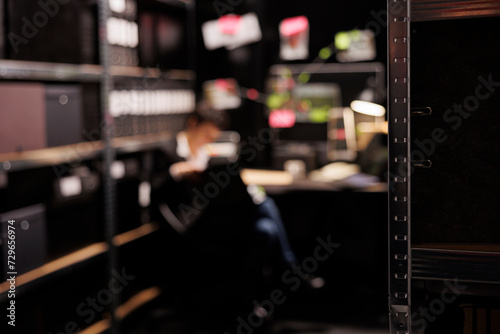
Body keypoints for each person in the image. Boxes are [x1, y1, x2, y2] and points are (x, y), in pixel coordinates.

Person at [150, 101, 322, 326]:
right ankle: (290, 273)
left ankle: (246, 302)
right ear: (193, 124)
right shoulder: (167, 151)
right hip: (191, 224)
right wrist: (178, 170)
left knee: (265, 230)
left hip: (219, 216)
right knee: (265, 205)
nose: (208, 141)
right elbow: (150, 191)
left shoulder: (206, 153)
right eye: (206, 134)